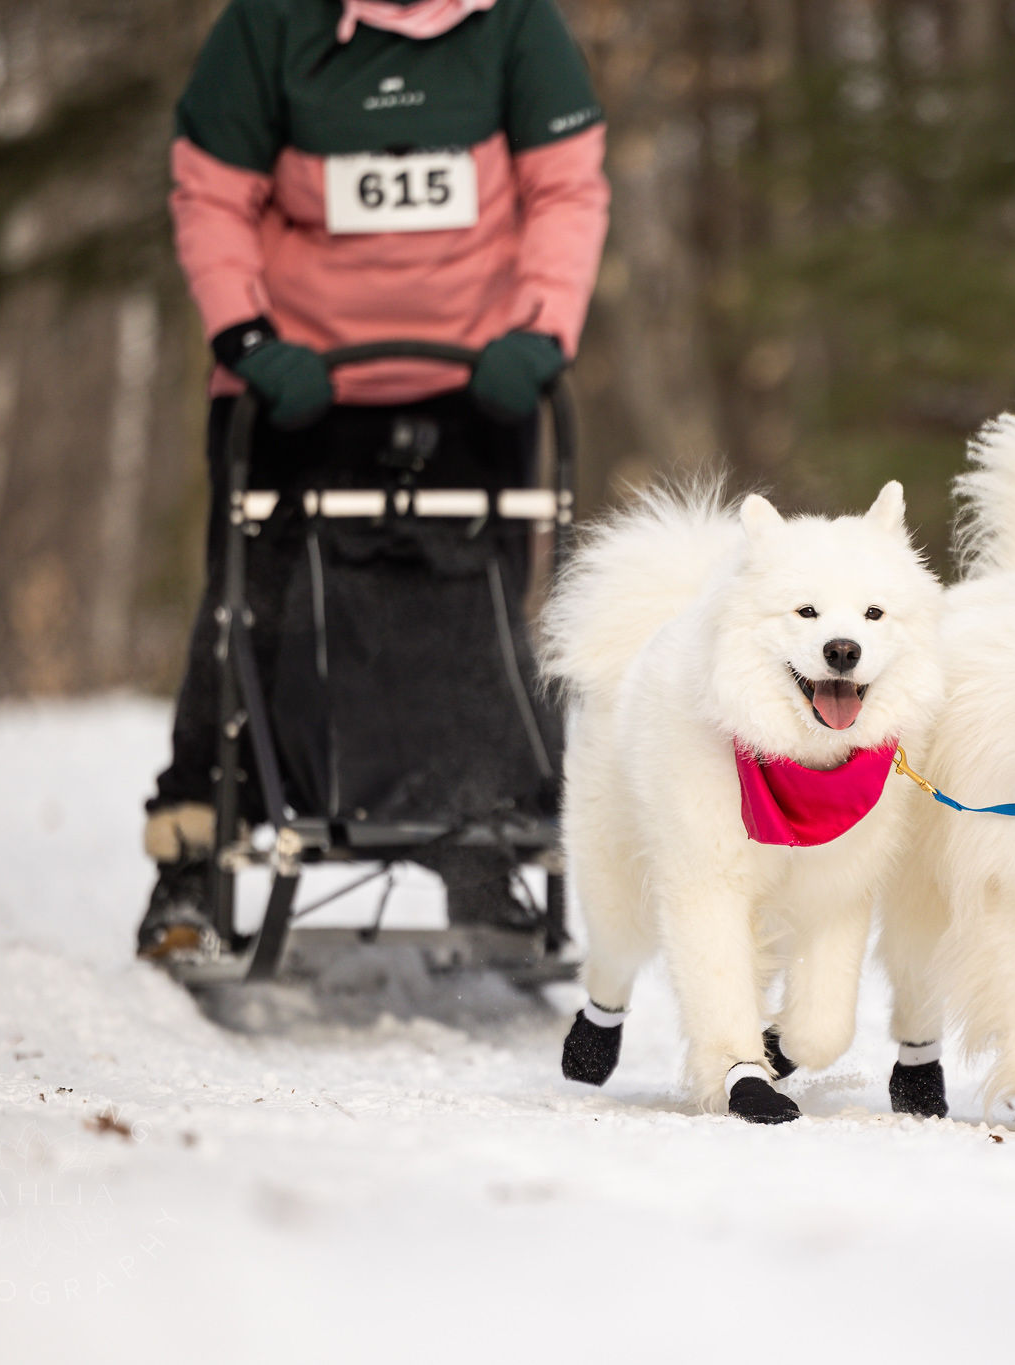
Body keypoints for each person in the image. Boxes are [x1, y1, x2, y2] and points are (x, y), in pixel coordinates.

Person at [137, 0, 609, 958]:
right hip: (291, 379)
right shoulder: (267, 24)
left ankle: (477, 852)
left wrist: (541, 328)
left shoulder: (517, 24)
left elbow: (566, 188)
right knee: (251, 606)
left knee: (472, 610)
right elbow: (213, 194)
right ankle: (193, 853)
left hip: (479, 379)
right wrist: (247, 336)